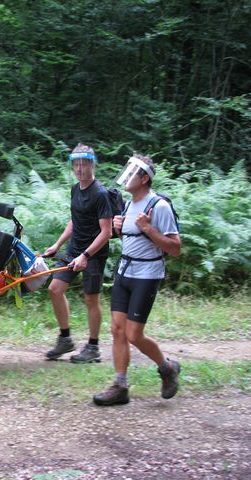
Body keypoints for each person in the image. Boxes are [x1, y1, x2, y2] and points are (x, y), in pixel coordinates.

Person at [93, 153, 181, 406]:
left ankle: (167, 368)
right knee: (117, 330)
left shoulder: (159, 206)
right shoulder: (129, 205)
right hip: (124, 272)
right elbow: (133, 242)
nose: (127, 176)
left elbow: (175, 248)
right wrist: (120, 231)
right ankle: (120, 386)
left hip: (147, 275)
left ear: (144, 178)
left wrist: (148, 228)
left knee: (133, 334)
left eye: (133, 172)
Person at [43, 143, 113, 363]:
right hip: (74, 249)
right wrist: (57, 244)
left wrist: (86, 256)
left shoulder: (100, 194)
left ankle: (93, 348)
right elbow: (75, 221)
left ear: (92, 165)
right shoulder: (75, 189)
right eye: (76, 164)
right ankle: (65, 339)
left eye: (84, 164)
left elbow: (107, 232)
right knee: (55, 289)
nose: (80, 169)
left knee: (91, 299)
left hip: (94, 252)